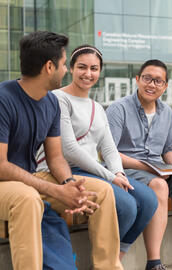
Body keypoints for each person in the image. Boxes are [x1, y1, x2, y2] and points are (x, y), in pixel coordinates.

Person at [0, 31, 122, 270]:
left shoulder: (51, 103)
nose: (66, 70)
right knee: (27, 199)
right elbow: (1, 165)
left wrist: (69, 185)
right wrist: (56, 190)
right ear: (49, 67)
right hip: (6, 181)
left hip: (29, 178)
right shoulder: (4, 99)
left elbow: (55, 157)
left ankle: (108, 267)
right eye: (65, 64)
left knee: (102, 191)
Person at [37, 44, 158, 258]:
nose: (88, 73)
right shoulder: (58, 99)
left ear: (100, 72)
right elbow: (70, 149)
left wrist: (119, 173)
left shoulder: (97, 107)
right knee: (127, 206)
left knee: (148, 199)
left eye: (94, 68)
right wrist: (110, 177)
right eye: (82, 67)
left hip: (92, 170)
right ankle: (105, 261)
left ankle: (114, 258)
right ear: (71, 68)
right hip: (63, 171)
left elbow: (109, 148)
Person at [106, 59, 172, 270]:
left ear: (165, 86)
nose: (151, 84)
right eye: (147, 78)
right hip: (130, 170)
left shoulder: (167, 113)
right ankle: (154, 263)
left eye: (158, 81)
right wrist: (149, 168)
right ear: (137, 79)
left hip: (159, 170)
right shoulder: (118, 109)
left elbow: (169, 149)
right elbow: (110, 153)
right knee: (159, 186)